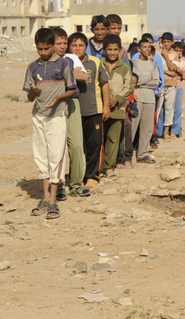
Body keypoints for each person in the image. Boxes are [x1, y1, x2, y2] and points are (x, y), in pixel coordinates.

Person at [24, 28, 77, 220]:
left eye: (47, 48)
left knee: (56, 156)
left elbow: (72, 89)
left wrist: (58, 98)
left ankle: (53, 200)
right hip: (39, 116)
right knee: (41, 155)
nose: (44, 53)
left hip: (57, 116)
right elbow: (30, 97)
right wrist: (34, 91)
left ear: (53, 46)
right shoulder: (32, 67)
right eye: (40, 49)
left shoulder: (63, 64)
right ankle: (44, 197)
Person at [69, 32, 110, 189]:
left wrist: (105, 106)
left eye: (81, 45)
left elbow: (104, 84)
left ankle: (92, 175)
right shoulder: (65, 63)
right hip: (72, 111)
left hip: (93, 111)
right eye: (74, 45)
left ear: (86, 47)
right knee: (76, 146)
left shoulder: (95, 62)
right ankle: (76, 175)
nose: (77, 48)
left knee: (94, 144)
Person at [53, 27, 90, 199]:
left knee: (76, 145)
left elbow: (83, 76)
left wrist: (61, 75)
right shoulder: (46, 61)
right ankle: (58, 185)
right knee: (57, 147)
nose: (62, 46)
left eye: (64, 43)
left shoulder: (71, 58)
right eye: (58, 43)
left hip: (72, 102)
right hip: (54, 105)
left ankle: (76, 183)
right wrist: (69, 73)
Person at [100, 34, 134, 176]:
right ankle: (98, 166)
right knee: (100, 138)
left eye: (115, 49)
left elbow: (129, 86)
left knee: (113, 139)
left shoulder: (124, 68)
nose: (112, 52)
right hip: (100, 108)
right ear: (104, 50)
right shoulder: (99, 65)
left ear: (120, 50)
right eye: (109, 49)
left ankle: (108, 167)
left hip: (118, 109)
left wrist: (119, 98)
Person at [130, 40, 160, 164]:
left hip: (149, 98)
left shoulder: (153, 65)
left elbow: (156, 82)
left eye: (149, 47)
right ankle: (126, 154)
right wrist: (144, 81)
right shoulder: (133, 63)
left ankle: (142, 154)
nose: (147, 49)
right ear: (139, 49)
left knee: (147, 128)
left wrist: (140, 81)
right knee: (132, 127)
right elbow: (132, 81)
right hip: (137, 96)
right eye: (144, 47)